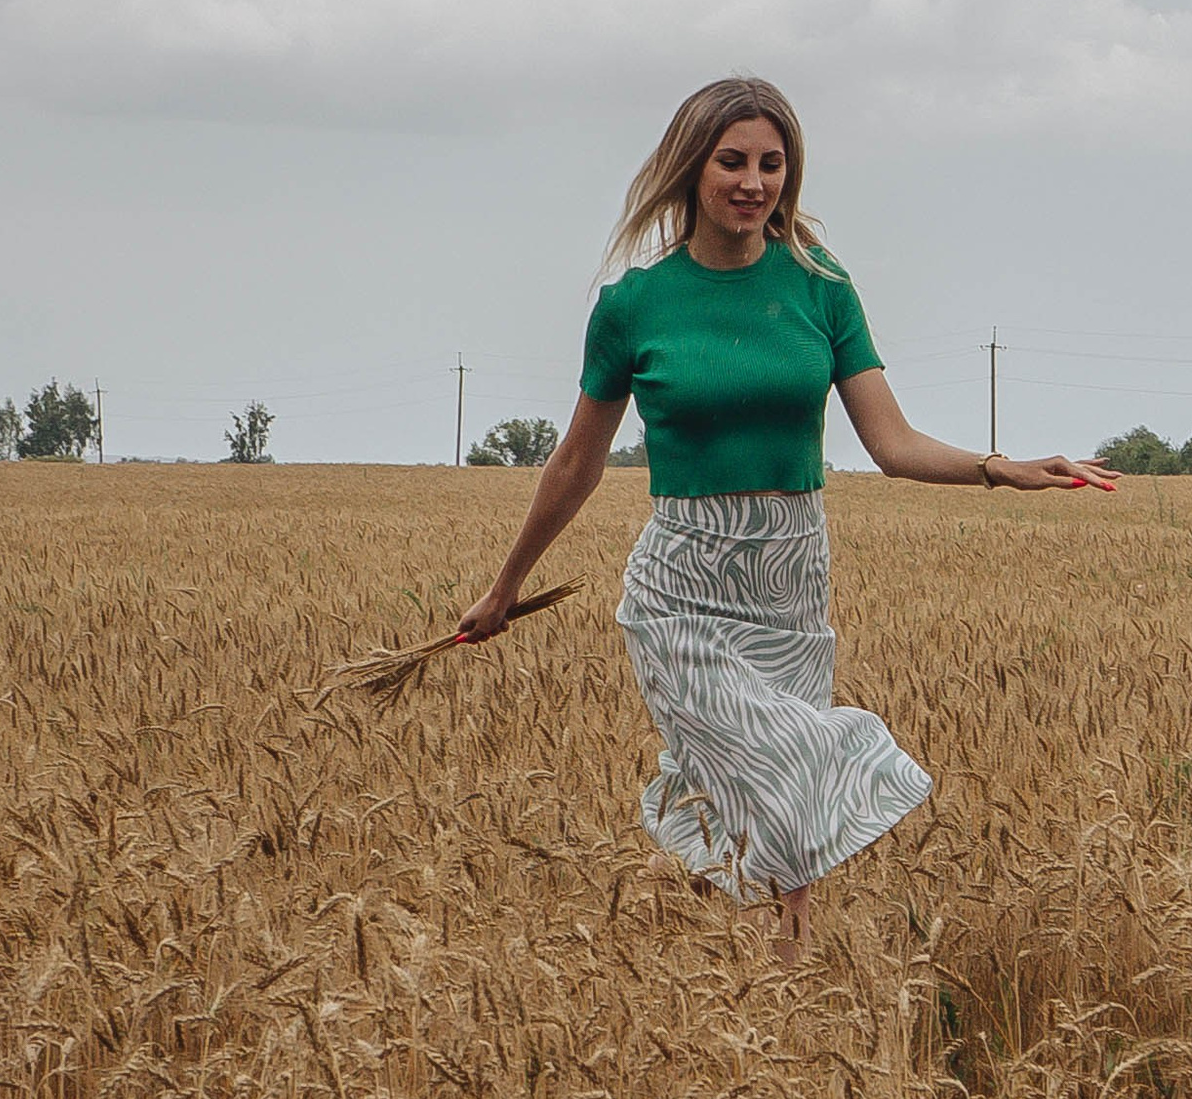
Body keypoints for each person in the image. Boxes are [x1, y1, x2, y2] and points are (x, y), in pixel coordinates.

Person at [457, 76, 1115, 948]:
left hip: (790, 575)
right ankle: (729, 972)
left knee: (779, 822)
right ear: (690, 168)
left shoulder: (820, 288)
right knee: (774, 763)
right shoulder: (633, 306)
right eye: (732, 161)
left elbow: (892, 442)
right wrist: (506, 587)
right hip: (681, 581)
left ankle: (773, 999)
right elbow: (576, 462)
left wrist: (1003, 468)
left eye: (772, 164)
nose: (752, 182)